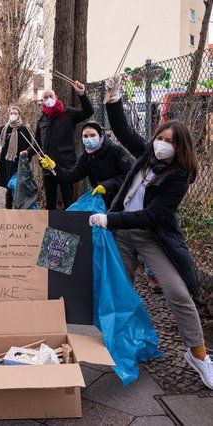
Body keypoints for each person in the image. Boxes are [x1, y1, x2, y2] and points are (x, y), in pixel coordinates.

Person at [88, 75, 213, 390]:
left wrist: (110, 220)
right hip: (122, 236)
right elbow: (123, 130)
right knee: (119, 289)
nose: (162, 144)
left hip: (151, 237)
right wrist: (114, 97)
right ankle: (122, 344)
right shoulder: (147, 154)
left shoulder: (180, 175)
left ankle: (199, 355)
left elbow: (154, 215)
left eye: (171, 142)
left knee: (179, 293)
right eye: (161, 137)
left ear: (180, 148)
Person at [23, 83, 94, 210]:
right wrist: (28, 152)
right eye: (45, 97)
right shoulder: (42, 120)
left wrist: (82, 95)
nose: (48, 99)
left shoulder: (68, 113)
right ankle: (51, 222)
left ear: (56, 97)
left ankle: (69, 222)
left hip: (66, 166)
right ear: (42, 101)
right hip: (48, 167)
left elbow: (88, 112)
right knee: (50, 203)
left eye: (50, 96)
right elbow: (37, 143)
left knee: (68, 200)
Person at [39, 121, 133, 209]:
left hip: (123, 199)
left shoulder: (115, 151)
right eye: (85, 136)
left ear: (100, 135)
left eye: (92, 135)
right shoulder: (86, 157)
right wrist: (54, 167)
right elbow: (71, 176)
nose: (89, 139)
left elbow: (129, 175)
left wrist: (107, 186)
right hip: (100, 201)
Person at [0, 106, 31, 208]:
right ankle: (9, 210)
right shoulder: (4, 129)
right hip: (7, 164)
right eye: (11, 113)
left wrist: (27, 162)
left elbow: (29, 147)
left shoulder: (23, 129)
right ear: (8, 115)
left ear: (19, 115)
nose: (13, 115)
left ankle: (19, 209)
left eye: (15, 113)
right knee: (9, 188)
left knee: (18, 188)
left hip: (18, 164)